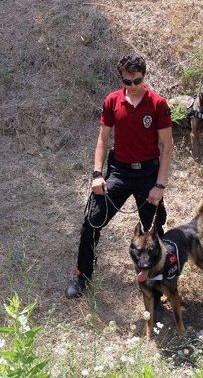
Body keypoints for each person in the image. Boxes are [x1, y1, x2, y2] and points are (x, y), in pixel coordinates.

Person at [66, 53, 173, 299]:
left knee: (153, 230)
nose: (133, 87)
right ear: (122, 78)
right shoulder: (112, 101)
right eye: (128, 81)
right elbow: (103, 139)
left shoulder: (157, 103)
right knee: (92, 221)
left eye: (137, 81)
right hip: (119, 172)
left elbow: (167, 146)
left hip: (148, 173)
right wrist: (96, 174)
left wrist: (160, 184)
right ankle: (83, 273)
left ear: (144, 77)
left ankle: (158, 279)